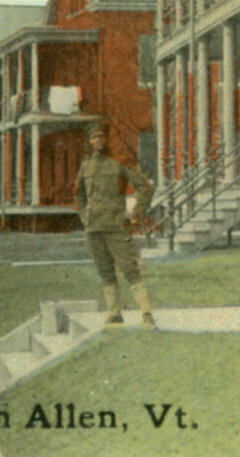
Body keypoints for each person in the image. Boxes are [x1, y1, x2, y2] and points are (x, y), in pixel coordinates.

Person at [76, 121, 156, 327]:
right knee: (105, 271)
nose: (98, 141)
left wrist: (135, 214)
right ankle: (114, 312)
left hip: (115, 226)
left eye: (102, 136)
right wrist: (85, 217)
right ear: (89, 141)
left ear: (108, 138)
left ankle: (146, 313)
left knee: (130, 269)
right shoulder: (86, 164)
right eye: (94, 137)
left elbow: (144, 187)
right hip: (94, 227)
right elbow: (80, 195)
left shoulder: (121, 161)